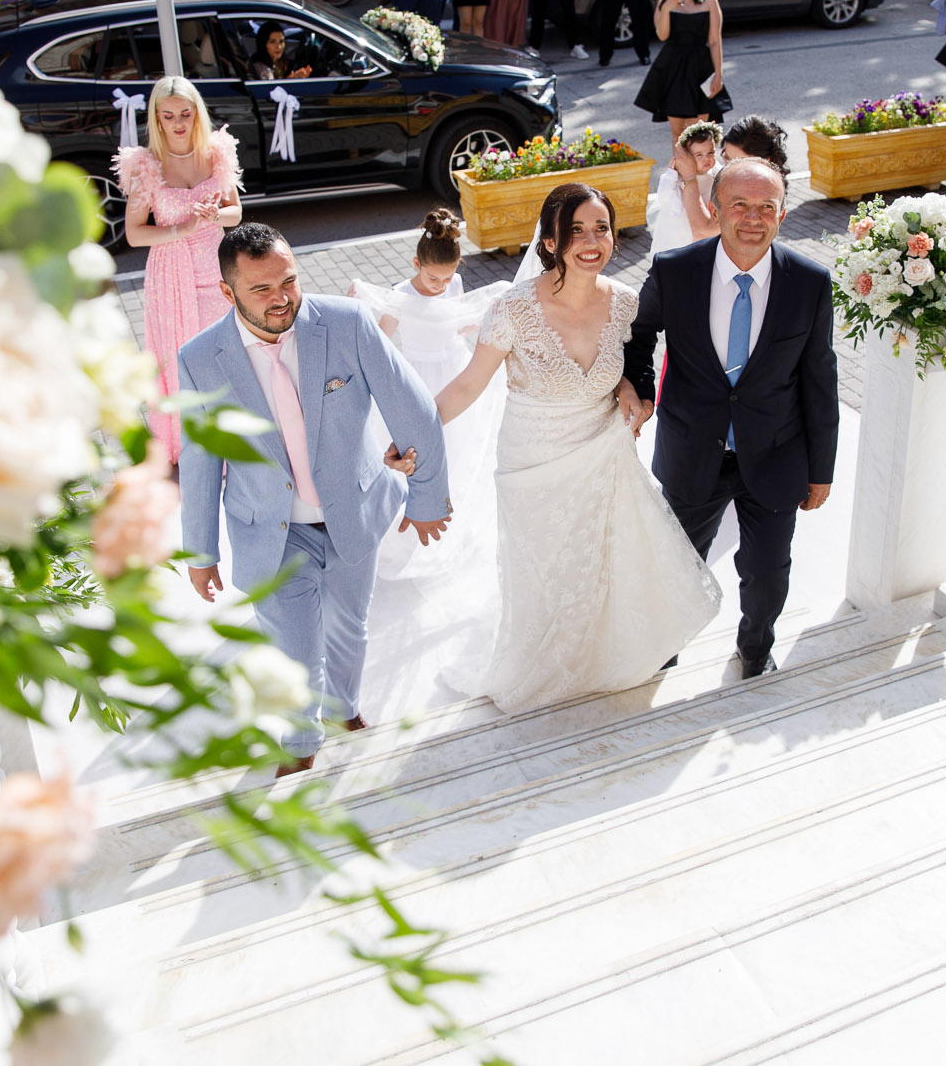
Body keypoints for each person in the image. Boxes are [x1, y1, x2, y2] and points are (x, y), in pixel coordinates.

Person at [420, 184, 718, 710]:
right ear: (550, 241)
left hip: (602, 456)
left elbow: (636, 364)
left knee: (599, 565)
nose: (591, 241)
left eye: (601, 228)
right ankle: (540, 665)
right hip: (532, 464)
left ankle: (597, 659)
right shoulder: (513, 309)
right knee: (543, 573)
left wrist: (629, 387)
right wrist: (415, 433)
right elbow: (468, 385)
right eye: (576, 230)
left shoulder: (625, 304)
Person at [180, 223, 450, 770]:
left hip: (354, 511)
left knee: (350, 628)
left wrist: (426, 500)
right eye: (261, 289)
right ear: (227, 292)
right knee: (296, 647)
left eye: (288, 281)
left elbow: (413, 408)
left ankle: (344, 709)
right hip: (270, 531)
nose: (281, 298)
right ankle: (302, 741)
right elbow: (200, 459)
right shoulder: (200, 359)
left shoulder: (347, 323)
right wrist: (200, 551)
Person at [621, 157, 839, 679]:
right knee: (678, 565)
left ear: (782, 214)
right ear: (715, 208)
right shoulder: (675, 271)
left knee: (767, 573)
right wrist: (641, 390)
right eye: (739, 204)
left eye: (767, 206)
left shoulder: (810, 282)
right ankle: (665, 649)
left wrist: (821, 471)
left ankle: (756, 650)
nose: (753, 218)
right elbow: (638, 335)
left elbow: (820, 379)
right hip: (692, 451)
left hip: (777, 455)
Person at [349, 210, 507, 583]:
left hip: (454, 371)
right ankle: (410, 523)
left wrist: (485, 317)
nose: (440, 286)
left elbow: (459, 323)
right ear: (416, 264)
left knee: (458, 447)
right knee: (415, 454)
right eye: (433, 278)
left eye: (447, 278)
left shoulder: (455, 284)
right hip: (417, 376)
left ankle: (450, 521)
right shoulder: (401, 294)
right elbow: (381, 338)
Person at [118, 76, 246, 459]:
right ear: (157, 118)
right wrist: (182, 229)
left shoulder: (216, 153)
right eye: (168, 115)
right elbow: (134, 234)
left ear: (197, 113)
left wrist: (215, 214)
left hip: (216, 270)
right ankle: (188, 444)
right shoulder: (147, 167)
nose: (178, 123)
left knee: (223, 354)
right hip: (170, 275)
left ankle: (228, 437)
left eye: (185, 114)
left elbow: (236, 212)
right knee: (180, 359)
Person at [636, 0, 728, 139]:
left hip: (701, 67)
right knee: (678, 133)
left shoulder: (710, 1)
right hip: (673, 68)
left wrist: (718, 75)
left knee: (700, 132)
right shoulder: (664, 2)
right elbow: (662, 35)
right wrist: (667, 8)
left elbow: (714, 41)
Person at [650, 119, 725, 256]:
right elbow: (663, 197)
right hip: (681, 225)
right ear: (687, 157)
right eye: (699, 155)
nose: (707, 159)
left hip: (704, 221)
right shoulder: (678, 176)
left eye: (711, 153)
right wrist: (672, 174)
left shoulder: (715, 172)